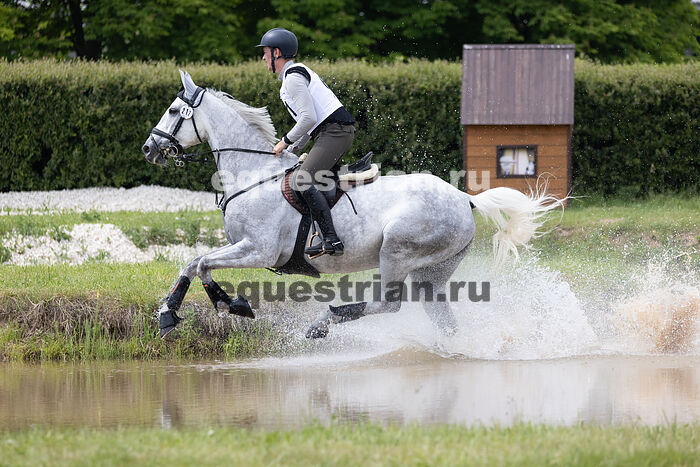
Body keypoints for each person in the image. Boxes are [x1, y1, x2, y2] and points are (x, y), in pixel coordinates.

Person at [257, 28, 355, 257]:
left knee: (302, 180)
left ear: (277, 53)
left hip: (335, 132)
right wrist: (293, 148)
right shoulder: (293, 75)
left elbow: (308, 118)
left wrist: (284, 142)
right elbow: (310, 124)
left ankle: (331, 240)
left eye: (265, 52)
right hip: (330, 132)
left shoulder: (292, 78)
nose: (263, 58)